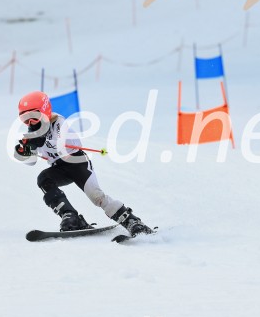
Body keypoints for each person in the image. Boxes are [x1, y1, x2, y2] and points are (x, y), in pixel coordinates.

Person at [13, 91, 154, 236]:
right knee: (43, 179)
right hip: (59, 168)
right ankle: (70, 216)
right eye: (25, 119)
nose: (30, 123)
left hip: (77, 163)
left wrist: (43, 141)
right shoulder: (32, 133)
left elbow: (65, 145)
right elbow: (31, 162)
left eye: (34, 117)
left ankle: (131, 221)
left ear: (45, 110)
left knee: (96, 197)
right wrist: (23, 153)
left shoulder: (59, 123)